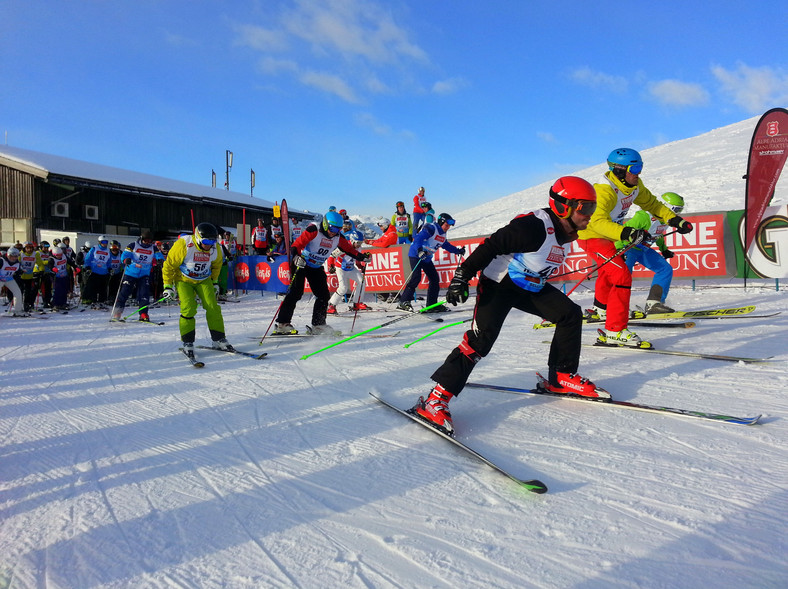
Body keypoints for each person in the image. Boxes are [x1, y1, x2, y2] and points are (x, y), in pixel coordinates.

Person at [410, 177, 606, 435]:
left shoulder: (572, 228)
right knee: (480, 342)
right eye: (586, 208)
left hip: (530, 286)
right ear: (564, 206)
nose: (590, 215)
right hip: (499, 285)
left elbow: (603, 230)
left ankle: (561, 377)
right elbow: (491, 245)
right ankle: (435, 400)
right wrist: (462, 277)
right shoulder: (532, 227)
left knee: (569, 314)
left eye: (593, 208)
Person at [577, 148, 693, 347]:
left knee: (610, 272)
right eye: (635, 168)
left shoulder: (635, 186)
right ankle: (615, 330)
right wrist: (627, 233)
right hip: (593, 236)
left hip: (611, 236)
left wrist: (675, 220)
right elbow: (596, 222)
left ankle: (602, 309)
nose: (638, 173)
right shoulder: (605, 191)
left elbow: (653, 205)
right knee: (621, 275)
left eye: (641, 167)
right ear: (620, 170)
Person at [274, 210, 370, 335]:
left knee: (323, 295)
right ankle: (282, 324)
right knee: (296, 293)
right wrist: (296, 257)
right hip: (301, 263)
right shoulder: (314, 230)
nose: (334, 232)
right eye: (332, 229)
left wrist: (363, 257)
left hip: (316, 266)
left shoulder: (338, 237)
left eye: (338, 230)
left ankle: (318, 325)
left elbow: (349, 250)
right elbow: (296, 245)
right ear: (325, 224)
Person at [162, 223, 234, 356]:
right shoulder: (184, 244)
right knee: (188, 308)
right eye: (206, 241)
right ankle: (188, 342)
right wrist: (168, 285)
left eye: (212, 241)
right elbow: (169, 265)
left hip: (204, 280)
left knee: (212, 307)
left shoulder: (215, 248)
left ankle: (218, 339)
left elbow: (216, 265)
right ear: (198, 237)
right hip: (184, 280)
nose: (209, 245)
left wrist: (215, 282)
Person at [614, 192, 683, 314]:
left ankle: (654, 303)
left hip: (643, 249)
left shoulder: (666, 219)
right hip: (628, 248)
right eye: (676, 209)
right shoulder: (644, 217)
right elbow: (623, 230)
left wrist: (664, 249)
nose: (677, 213)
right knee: (623, 276)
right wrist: (619, 250)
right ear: (667, 206)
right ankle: (616, 307)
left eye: (680, 210)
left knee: (665, 269)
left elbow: (658, 233)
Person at [397, 213, 465, 313]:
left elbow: (446, 245)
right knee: (416, 278)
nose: (448, 227)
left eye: (449, 226)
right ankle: (403, 301)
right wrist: (419, 250)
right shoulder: (431, 228)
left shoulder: (442, 234)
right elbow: (418, 239)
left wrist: (458, 251)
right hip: (416, 255)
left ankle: (431, 305)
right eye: (447, 225)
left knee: (434, 279)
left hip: (427, 258)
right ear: (441, 222)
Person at [112, 230, 165, 321]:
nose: (147, 243)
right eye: (146, 240)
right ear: (141, 239)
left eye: (149, 241)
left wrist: (160, 260)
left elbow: (159, 255)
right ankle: (118, 312)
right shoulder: (133, 245)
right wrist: (126, 260)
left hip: (144, 274)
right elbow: (124, 255)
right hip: (131, 273)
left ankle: (143, 313)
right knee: (124, 292)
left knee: (144, 294)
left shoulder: (153, 248)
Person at [327, 229, 370, 314]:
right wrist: (330, 266)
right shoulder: (344, 246)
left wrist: (360, 266)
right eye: (358, 243)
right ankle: (331, 305)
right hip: (341, 269)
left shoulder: (359, 248)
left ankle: (357, 303)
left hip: (350, 268)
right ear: (353, 240)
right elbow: (332, 256)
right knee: (343, 288)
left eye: (360, 243)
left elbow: (357, 260)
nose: (359, 245)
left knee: (361, 281)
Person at [82, 236, 112, 308]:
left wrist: (109, 268)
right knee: (93, 287)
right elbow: (88, 258)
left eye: (106, 242)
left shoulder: (108, 251)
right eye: (103, 242)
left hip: (104, 272)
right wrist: (87, 266)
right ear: (99, 242)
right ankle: (93, 300)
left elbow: (109, 261)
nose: (105, 244)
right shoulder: (94, 249)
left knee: (103, 288)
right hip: (95, 271)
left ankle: (102, 301)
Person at [0, 247, 24, 316]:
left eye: (15, 256)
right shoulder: (2, 261)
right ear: (8, 255)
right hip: (0, 279)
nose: (13, 258)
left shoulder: (17, 263)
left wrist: (20, 272)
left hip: (9, 279)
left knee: (17, 292)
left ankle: (18, 310)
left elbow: (18, 272)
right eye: (11, 256)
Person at [17, 242, 40, 312]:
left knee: (28, 291)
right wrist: (19, 270)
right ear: (24, 248)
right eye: (27, 248)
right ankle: (18, 306)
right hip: (21, 276)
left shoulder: (35, 254)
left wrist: (39, 271)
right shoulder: (20, 254)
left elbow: (39, 264)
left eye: (30, 248)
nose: (29, 250)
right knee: (19, 291)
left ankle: (27, 305)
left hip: (29, 276)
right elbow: (16, 263)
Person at [49, 246, 71, 311]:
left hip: (64, 276)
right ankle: (55, 304)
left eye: (60, 255)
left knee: (64, 290)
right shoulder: (51, 259)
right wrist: (53, 269)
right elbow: (50, 266)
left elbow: (70, 261)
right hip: (57, 277)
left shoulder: (64, 256)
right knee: (57, 291)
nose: (59, 256)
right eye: (57, 255)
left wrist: (75, 267)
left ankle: (63, 303)